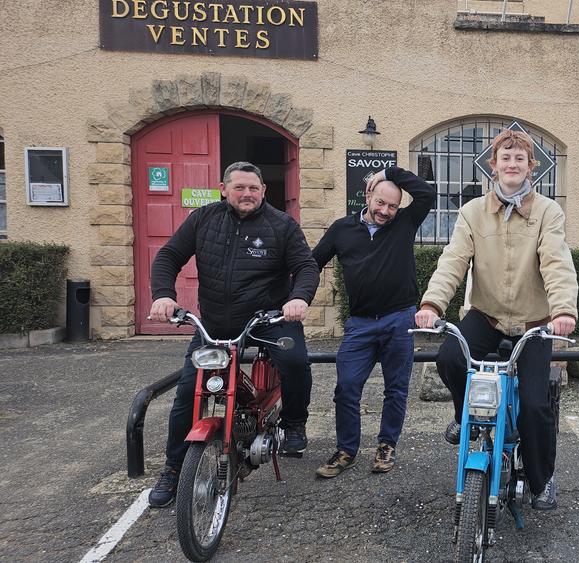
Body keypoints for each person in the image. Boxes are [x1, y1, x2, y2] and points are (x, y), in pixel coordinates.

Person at [415, 129, 578, 511]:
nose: (512, 164)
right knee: (449, 359)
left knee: (535, 407)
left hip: (535, 323)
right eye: (505, 157)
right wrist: (432, 305)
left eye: (520, 158)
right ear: (493, 165)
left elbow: (556, 262)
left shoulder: (547, 212)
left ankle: (541, 481)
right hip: (485, 316)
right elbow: (453, 261)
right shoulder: (472, 212)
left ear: (531, 167)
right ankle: (462, 415)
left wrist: (563, 311)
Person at [146, 161, 319, 508]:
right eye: (239, 187)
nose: (247, 194)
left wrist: (298, 298)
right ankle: (173, 467)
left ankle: (295, 424)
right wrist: (163, 294)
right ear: (224, 189)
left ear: (263, 191)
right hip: (217, 324)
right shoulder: (202, 219)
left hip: (269, 319)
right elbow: (168, 256)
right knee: (186, 393)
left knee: (295, 361)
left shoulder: (282, 225)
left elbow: (305, 266)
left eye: (253, 188)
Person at [311, 165, 434, 478]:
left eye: (392, 205)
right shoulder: (342, 229)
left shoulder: (405, 222)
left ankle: (386, 445)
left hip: (399, 318)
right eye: (380, 202)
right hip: (360, 323)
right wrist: (296, 295)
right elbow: (312, 263)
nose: (386, 211)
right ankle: (346, 450)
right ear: (367, 196)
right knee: (347, 387)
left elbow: (426, 193)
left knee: (395, 389)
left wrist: (390, 172)